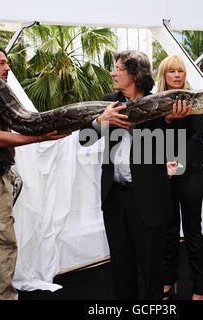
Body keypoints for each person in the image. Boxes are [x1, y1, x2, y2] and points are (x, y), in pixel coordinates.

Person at [79, 50, 190, 299]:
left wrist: (171, 121)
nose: (112, 72)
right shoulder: (109, 103)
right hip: (115, 198)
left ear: (135, 74)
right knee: (121, 268)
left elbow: (174, 148)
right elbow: (85, 139)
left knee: (152, 269)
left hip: (149, 198)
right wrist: (101, 121)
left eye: (117, 68)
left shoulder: (159, 104)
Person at [0, 46, 70, 300]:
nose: (8, 68)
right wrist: (40, 137)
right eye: (1, 63)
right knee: (2, 247)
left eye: (7, 63)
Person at [156, 56, 203, 300]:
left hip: (190, 172)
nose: (177, 75)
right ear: (164, 75)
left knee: (192, 231)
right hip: (162, 172)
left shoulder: (196, 101)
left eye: (180, 71)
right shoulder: (154, 103)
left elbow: (195, 139)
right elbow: (151, 136)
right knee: (167, 230)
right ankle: (169, 279)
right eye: (171, 72)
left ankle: (199, 286)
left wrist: (176, 164)